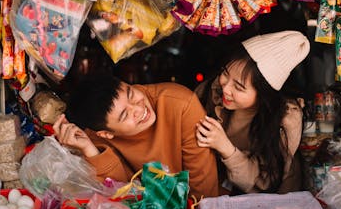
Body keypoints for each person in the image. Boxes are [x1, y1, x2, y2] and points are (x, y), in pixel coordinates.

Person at [52, 73, 219, 199]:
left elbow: (204, 189)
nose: (138, 109)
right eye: (125, 115)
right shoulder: (94, 134)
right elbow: (121, 193)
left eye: (131, 94)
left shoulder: (180, 104)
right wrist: (90, 150)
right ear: (106, 134)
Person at [194, 30, 310, 194]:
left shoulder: (286, 120)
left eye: (239, 87)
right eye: (225, 74)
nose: (226, 89)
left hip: (270, 201)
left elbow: (265, 183)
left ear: (264, 95)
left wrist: (226, 148)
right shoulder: (212, 91)